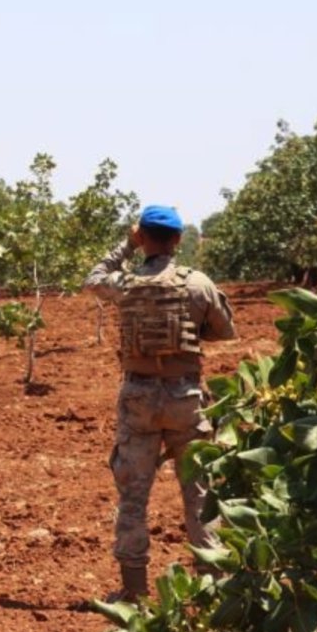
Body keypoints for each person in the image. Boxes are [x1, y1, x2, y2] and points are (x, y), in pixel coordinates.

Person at [84, 206, 236, 602]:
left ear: (143, 236)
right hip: (186, 399)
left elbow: (93, 279)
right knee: (199, 493)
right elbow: (225, 330)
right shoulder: (198, 283)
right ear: (178, 240)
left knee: (133, 495)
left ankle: (134, 593)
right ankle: (212, 589)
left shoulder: (125, 282)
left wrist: (125, 246)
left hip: (138, 400)